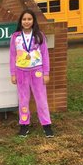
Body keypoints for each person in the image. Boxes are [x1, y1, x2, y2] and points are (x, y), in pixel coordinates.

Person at [10, 9, 54, 137]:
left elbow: (45, 55)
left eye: (29, 19)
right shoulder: (15, 37)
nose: (27, 21)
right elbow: (12, 56)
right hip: (21, 72)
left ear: (33, 21)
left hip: (37, 72)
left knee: (41, 99)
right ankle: (24, 125)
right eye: (24, 19)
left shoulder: (39, 35)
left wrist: (46, 73)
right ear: (21, 21)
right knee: (23, 100)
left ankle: (46, 125)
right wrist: (13, 73)